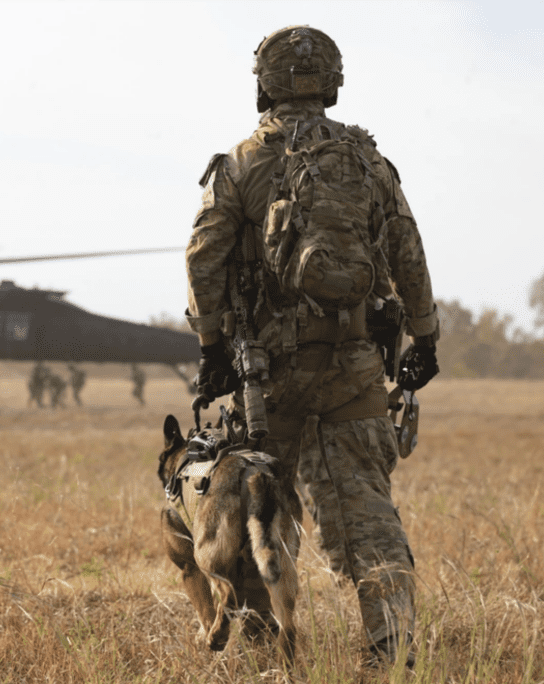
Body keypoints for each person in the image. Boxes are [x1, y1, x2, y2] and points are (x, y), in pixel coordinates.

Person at [185, 26, 439, 668]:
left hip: (268, 373)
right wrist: (426, 338)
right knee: (368, 512)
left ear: (262, 83)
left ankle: (266, 652)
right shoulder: (367, 162)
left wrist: (212, 347)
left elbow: (204, 258)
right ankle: (393, 648)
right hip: (354, 367)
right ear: (332, 83)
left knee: (261, 509)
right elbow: (408, 254)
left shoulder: (242, 163)